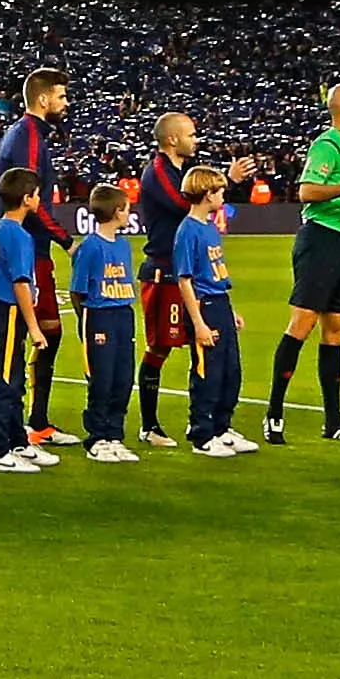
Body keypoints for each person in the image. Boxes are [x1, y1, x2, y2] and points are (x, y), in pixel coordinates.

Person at [267, 82, 340, 445]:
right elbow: (306, 190)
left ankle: (333, 421)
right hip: (319, 239)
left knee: (334, 326)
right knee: (301, 323)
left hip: (338, 242)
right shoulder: (328, 144)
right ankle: (274, 414)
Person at [0, 66, 76, 443]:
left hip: (33, 248)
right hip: (27, 249)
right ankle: (7, 430)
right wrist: (66, 239)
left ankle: (32, 423)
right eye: (61, 96)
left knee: (46, 332)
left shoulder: (32, 135)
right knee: (24, 335)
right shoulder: (27, 136)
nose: (65, 103)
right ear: (43, 99)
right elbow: (29, 197)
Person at [0, 172, 58, 471]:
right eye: (36, 194)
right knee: (6, 381)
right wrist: (34, 326)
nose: (39, 199)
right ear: (27, 198)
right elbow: (21, 283)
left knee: (14, 378)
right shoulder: (19, 235)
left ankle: (18, 442)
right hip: (8, 311)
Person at [133, 112, 204, 438]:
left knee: (203, 343)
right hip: (164, 273)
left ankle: (203, 423)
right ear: (172, 139)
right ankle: (149, 426)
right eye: (190, 134)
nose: (196, 139)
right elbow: (181, 204)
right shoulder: (159, 171)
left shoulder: (179, 171)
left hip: (187, 271)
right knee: (159, 347)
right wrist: (223, 182)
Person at [172, 165, 248, 457]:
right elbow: (185, 279)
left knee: (231, 371)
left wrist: (230, 311)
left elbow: (216, 273)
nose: (223, 196)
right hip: (204, 306)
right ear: (207, 194)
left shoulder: (209, 228)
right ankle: (202, 434)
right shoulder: (188, 231)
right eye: (219, 191)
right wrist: (199, 323)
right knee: (208, 372)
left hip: (220, 304)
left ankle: (222, 427)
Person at [67, 178, 143, 465]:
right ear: (116, 211)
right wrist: (86, 320)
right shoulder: (91, 247)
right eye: (126, 209)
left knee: (123, 378)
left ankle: (115, 435)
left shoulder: (123, 245)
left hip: (124, 313)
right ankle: (97, 438)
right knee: (102, 379)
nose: (129, 214)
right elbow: (78, 290)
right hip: (99, 316)